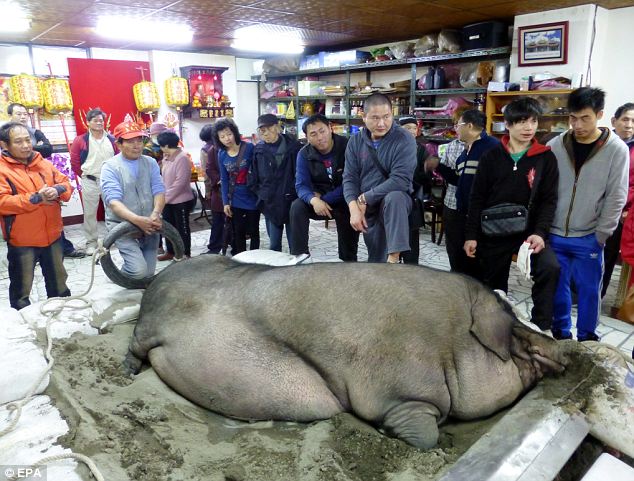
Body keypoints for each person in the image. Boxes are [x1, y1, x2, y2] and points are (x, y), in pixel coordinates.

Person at [463, 97, 560, 330]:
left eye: (533, 121)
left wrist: (539, 233)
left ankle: (541, 327)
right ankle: (495, 328)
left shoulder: (545, 158)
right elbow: (476, 197)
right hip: (493, 232)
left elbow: (549, 200)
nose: (528, 128)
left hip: (528, 233)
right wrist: (471, 234)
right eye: (521, 122)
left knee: (550, 268)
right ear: (507, 124)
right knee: (493, 287)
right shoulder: (491, 157)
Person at [548, 87, 628, 341]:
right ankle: (561, 334)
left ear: (600, 115)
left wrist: (602, 233)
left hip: (590, 236)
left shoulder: (616, 149)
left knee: (589, 291)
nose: (577, 124)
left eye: (585, 118)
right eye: (573, 118)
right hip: (556, 232)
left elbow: (617, 195)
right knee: (558, 289)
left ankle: (587, 337)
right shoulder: (557, 144)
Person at [0, 122, 72, 310]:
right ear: (5, 145)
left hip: (53, 235)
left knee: (59, 283)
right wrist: (35, 198)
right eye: (18, 142)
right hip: (23, 239)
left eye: (27, 140)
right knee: (21, 289)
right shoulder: (2, 170)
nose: (26, 145)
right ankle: (24, 322)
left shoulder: (43, 163)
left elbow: (65, 183)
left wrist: (57, 190)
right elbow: (2, 202)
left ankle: (62, 319)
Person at [343, 93, 416, 263]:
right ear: (363, 117)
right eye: (375, 118)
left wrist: (365, 198)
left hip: (396, 204)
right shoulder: (355, 142)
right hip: (369, 209)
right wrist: (353, 206)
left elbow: (401, 180)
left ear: (392, 114)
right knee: (376, 259)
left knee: (395, 197)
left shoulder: (404, 139)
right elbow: (349, 178)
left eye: (386, 117)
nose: (382, 123)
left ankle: (394, 259)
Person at [425, 109, 499, 277]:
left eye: (458, 125)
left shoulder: (492, 148)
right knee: (458, 257)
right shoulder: (465, 152)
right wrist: (438, 165)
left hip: (482, 216)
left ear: (470, 126)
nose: (456, 129)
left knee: (477, 263)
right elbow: (459, 181)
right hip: (461, 212)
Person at [9, 102, 84, 258]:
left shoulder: (35, 132)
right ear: (10, 116)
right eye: (18, 114)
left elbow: (48, 149)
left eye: (25, 113)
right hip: (16, 181)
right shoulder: (4, 135)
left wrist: (26, 150)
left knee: (50, 214)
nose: (23, 117)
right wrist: (36, 148)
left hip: (40, 178)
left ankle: (64, 248)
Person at [100, 120, 165, 280]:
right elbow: (113, 202)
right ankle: (124, 276)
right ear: (119, 144)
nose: (137, 145)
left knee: (148, 274)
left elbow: (159, 190)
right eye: (130, 141)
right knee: (139, 272)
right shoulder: (110, 167)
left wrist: (156, 213)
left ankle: (134, 280)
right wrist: (136, 220)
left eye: (139, 140)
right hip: (122, 226)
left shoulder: (150, 163)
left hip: (150, 225)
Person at [289, 114, 359, 261]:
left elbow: (351, 181)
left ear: (330, 128)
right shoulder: (304, 154)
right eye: (313, 134)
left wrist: (325, 199)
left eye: (322, 131)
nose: (319, 137)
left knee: (349, 207)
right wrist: (314, 200)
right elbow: (301, 185)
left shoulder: (348, 147)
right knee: (297, 206)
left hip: (342, 198)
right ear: (307, 137)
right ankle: (300, 256)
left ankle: (349, 260)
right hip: (317, 202)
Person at [249, 113, 302, 252]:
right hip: (270, 202)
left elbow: (300, 174)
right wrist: (262, 195)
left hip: (291, 200)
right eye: (262, 130)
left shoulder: (294, 148)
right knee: (274, 245)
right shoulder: (259, 150)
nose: (265, 134)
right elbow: (254, 176)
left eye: (268, 129)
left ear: (277, 128)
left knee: (295, 245)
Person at [70, 108, 118, 255]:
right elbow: (75, 162)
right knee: (90, 213)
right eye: (95, 120)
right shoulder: (80, 140)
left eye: (101, 120)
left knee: (113, 210)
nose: (99, 123)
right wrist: (85, 175)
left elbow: (118, 158)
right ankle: (91, 243)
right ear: (88, 123)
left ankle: (114, 239)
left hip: (109, 180)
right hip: (90, 180)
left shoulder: (112, 139)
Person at [602, 103, 634, 296]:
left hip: (623, 212)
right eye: (626, 119)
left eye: (633, 121)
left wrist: (626, 208)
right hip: (596, 206)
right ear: (614, 121)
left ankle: (599, 292)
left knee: (609, 253)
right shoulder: (603, 142)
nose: (629, 125)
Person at [216, 118, 260, 254]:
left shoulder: (249, 148)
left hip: (252, 195)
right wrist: (225, 203)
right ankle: (241, 259)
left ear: (234, 132)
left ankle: (255, 257)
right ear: (218, 139)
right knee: (238, 231)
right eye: (222, 136)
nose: (227, 139)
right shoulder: (221, 154)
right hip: (235, 197)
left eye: (229, 134)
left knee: (253, 230)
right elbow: (224, 179)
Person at [156, 131, 194, 260]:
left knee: (182, 228)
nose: (160, 148)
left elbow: (180, 183)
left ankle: (185, 253)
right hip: (167, 200)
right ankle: (171, 251)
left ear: (166, 145)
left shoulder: (182, 158)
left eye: (161, 145)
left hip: (180, 201)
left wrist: (165, 198)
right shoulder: (166, 158)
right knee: (168, 228)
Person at [398, 116, 431, 264]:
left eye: (414, 128)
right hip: (394, 197)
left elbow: (426, 176)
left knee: (411, 238)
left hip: (413, 199)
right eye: (407, 128)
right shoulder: (392, 147)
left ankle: (411, 266)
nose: (411, 131)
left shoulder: (422, 150)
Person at [199, 124, 227, 255]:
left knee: (222, 220)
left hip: (227, 190)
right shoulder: (211, 150)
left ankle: (222, 244)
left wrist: (207, 191)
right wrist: (220, 180)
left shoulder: (206, 149)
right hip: (219, 189)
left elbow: (206, 173)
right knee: (219, 219)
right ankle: (217, 245)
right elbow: (209, 170)